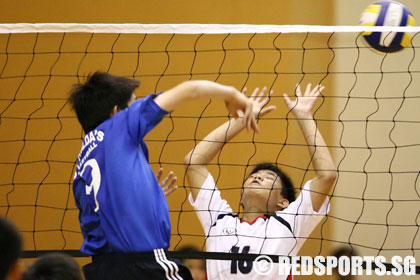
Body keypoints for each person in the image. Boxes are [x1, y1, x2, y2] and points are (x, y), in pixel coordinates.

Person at [68, 72, 259, 280]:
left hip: (102, 271)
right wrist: (231, 94)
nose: (138, 105)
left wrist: (148, 197)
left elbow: (103, 212)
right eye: (134, 102)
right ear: (116, 111)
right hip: (144, 266)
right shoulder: (120, 125)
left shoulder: (82, 162)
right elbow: (190, 89)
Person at [184, 84, 337, 279]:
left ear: (282, 203)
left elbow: (327, 175)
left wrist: (304, 115)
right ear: (241, 197)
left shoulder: (289, 223)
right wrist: (240, 121)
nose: (257, 177)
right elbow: (194, 162)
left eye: (269, 178)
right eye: (254, 176)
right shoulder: (219, 220)